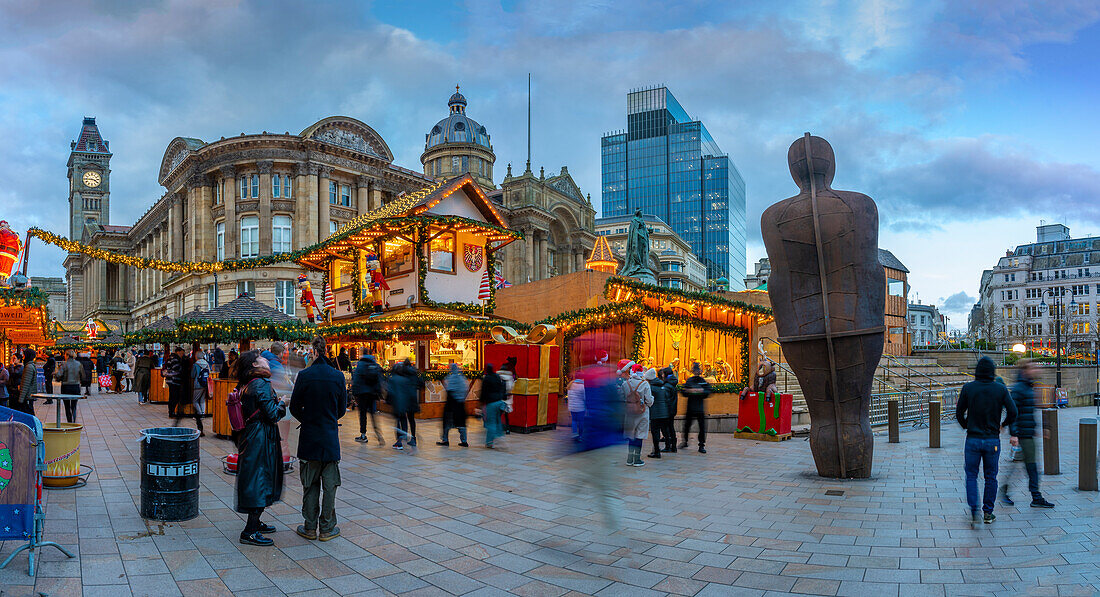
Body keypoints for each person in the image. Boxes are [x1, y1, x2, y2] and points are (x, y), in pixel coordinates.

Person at [289, 336, 348, 541]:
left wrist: (308, 419)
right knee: (330, 485)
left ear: (313, 352)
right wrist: (329, 418)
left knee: (310, 484)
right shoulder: (338, 376)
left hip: (309, 437)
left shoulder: (305, 375)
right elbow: (342, 408)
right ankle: (327, 527)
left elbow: (294, 407)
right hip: (330, 436)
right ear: (326, 350)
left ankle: (309, 526)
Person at [233, 350, 288, 546]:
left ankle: (256, 523)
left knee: (258, 478)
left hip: (253, 435)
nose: (265, 359)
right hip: (261, 437)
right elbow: (273, 414)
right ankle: (249, 531)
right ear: (256, 365)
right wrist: (282, 403)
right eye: (261, 358)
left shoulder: (250, 383)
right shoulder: (261, 384)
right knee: (260, 479)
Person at [956, 356, 1017, 527]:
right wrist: (1003, 425)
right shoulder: (1000, 389)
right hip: (992, 439)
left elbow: (959, 412)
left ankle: (974, 511)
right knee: (991, 476)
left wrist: (967, 426)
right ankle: (988, 513)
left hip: (973, 439)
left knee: (971, 475)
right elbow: (1013, 412)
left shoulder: (968, 388)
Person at [1001, 359, 1055, 509]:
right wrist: (1014, 434)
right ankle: (1036, 497)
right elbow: (1013, 412)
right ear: (1025, 370)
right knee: (1031, 467)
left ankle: (1005, 490)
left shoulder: (1028, 386)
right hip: (1022, 435)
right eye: (1033, 367)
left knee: (1019, 465)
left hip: (1027, 433)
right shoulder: (1019, 388)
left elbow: (1029, 412)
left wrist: (1039, 428)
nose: (1037, 369)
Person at [621, 364, 654, 466]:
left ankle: (629, 459)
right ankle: (637, 459)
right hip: (642, 412)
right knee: (639, 435)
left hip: (629, 413)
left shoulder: (625, 384)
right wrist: (650, 401)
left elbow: (622, 398)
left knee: (631, 435)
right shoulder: (645, 384)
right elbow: (649, 400)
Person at [351, 351, 385, 444]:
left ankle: (363, 435)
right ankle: (378, 432)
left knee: (363, 414)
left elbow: (356, 379)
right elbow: (380, 378)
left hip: (362, 394)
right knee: (373, 414)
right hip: (372, 394)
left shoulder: (360, 364)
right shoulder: (375, 364)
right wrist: (379, 392)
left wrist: (354, 392)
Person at [386, 359, 421, 449]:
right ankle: (413, 438)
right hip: (412, 398)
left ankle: (401, 439)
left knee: (401, 419)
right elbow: (420, 384)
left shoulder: (404, 374)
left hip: (406, 399)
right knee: (411, 419)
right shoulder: (414, 373)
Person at [679, 363, 711, 453]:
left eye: (698, 371)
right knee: (686, 426)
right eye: (695, 370)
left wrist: (701, 391)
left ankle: (701, 445)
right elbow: (684, 391)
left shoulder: (703, 381)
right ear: (693, 371)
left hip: (700, 408)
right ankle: (685, 441)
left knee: (702, 427)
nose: (697, 372)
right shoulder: (689, 380)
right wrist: (690, 391)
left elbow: (708, 391)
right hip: (690, 407)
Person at [438, 363, 469, 447]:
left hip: (451, 405)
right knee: (461, 424)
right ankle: (464, 441)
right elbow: (466, 389)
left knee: (446, 424)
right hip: (461, 405)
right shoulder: (462, 379)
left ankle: (445, 440)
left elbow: (449, 390)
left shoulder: (451, 378)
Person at [479, 363, 507, 449]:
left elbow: (483, 391)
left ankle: (490, 442)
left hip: (491, 403)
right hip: (499, 402)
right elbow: (502, 387)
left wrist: (480, 402)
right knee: (497, 420)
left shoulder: (486, 378)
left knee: (490, 423)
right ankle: (497, 436)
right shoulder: (497, 377)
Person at [182, 350, 209, 436]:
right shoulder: (206, 363)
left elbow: (193, 375)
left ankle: (200, 414)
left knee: (195, 401)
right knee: (202, 400)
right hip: (205, 384)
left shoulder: (196, 364)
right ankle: (203, 413)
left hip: (197, 384)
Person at [55, 350, 86, 422]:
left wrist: (57, 376)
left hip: (66, 387)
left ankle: (69, 420)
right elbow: (83, 376)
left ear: (67, 355)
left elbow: (59, 375)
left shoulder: (64, 364)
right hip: (75, 386)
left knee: (67, 406)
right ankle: (74, 420)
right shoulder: (79, 364)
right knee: (74, 405)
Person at [647, 366, 670, 459]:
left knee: (655, 432)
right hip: (664, 413)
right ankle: (668, 446)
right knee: (665, 430)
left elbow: (648, 399)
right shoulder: (663, 386)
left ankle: (656, 452)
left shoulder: (651, 388)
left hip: (655, 413)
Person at [12, 349, 39, 416]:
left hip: (27, 396)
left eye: (24, 355)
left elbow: (25, 384)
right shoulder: (30, 365)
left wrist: (21, 399)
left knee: (28, 414)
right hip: (29, 395)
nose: (23, 357)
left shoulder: (28, 367)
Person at [164, 347, 186, 419]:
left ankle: (171, 412)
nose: (183, 355)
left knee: (172, 397)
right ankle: (172, 412)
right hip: (174, 381)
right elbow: (176, 371)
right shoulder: (175, 359)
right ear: (178, 352)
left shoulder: (170, 358)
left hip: (171, 381)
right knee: (174, 397)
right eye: (182, 353)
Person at [661, 367, 679, 453]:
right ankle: (674, 446)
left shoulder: (666, 386)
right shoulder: (672, 384)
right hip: (672, 410)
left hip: (667, 410)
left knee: (666, 428)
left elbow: (666, 399)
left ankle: (668, 446)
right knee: (671, 427)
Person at [567, 375, 585, 442]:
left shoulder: (570, 385)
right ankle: (580, 436)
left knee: (574, 420)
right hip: (580, 407)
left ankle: (574, 433)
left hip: (572, 406)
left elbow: (569, 397)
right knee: (581, 421)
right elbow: (584, 397)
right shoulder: (582, 386)